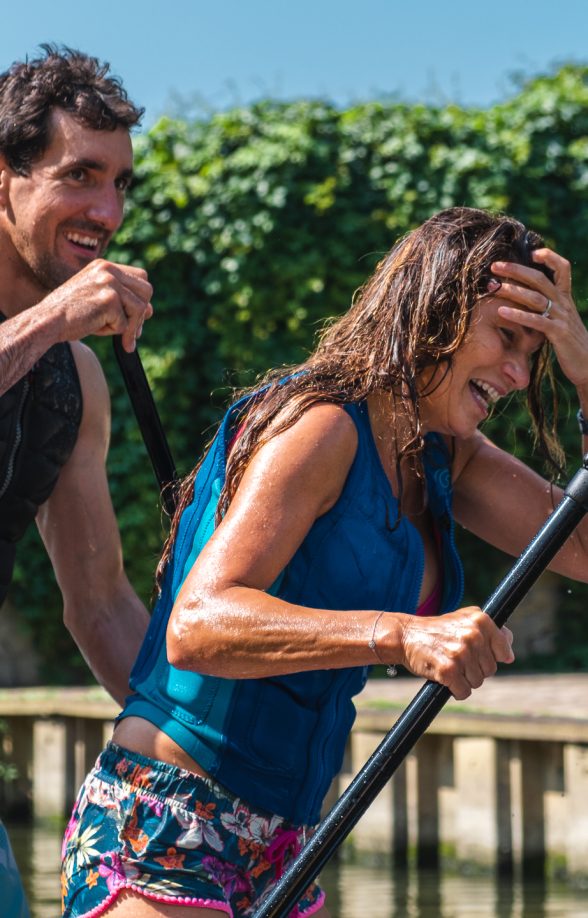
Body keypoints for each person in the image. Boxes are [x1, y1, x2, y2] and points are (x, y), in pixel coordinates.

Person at [62, 207, 588, 917]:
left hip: (287, 846)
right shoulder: (322, 423)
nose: (521, 375)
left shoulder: (445, 452)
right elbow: (197, 621)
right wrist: (401, 634)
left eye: (535, 351)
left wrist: (587, 375)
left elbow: (580, 548)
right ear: (436, 309)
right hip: (167, 821)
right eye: (506, 338)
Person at [0, 46, 153, 916]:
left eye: (122, 184)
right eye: (79, 175)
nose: (106, 211)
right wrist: (51, 319)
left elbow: (98, 603)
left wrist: (207, 739)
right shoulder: (56, 334)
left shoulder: (77, 380)